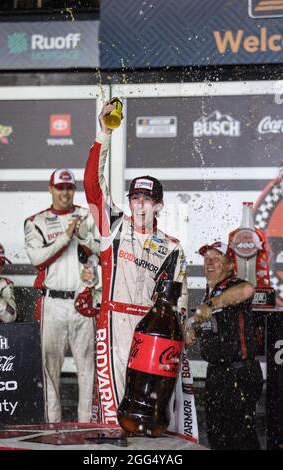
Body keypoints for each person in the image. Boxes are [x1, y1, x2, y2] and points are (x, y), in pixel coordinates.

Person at [83, 102, 197, 436]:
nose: (140, 205)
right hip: (114, 324)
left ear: (158, 204)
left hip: (150, 332)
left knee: (148, 416)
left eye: (147, 200)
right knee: (112, 410)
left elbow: (179, 297)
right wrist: (103, 134)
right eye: (135, 198)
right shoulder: (113, 226)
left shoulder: (172, 246)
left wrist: (183, 326)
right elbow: (92, 185)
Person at [24, 168, 100, 423]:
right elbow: (37, 259)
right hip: (52, 303)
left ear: (74, 189)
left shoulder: (86, 215)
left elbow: (99, 252)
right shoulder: (37, 221)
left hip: (82, 302)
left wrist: (86, 245)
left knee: (88, 370)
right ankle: (51, 425)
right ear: (51, 188)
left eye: (69, 187)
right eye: (60, 187)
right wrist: (66, 237)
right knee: (49, 372)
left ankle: (86, 427)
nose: (65, 192)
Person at [187, 241, 263, 450]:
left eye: (216, 259)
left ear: (230, 266)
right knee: (216, 434)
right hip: (218, 375)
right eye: (206, 259)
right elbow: (211, 323)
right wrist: (192, 329)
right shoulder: (209, 292)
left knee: (239, 438)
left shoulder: (233, 285)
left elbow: (248, 290)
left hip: (239, 374)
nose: (209, 263)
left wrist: (210, 306)